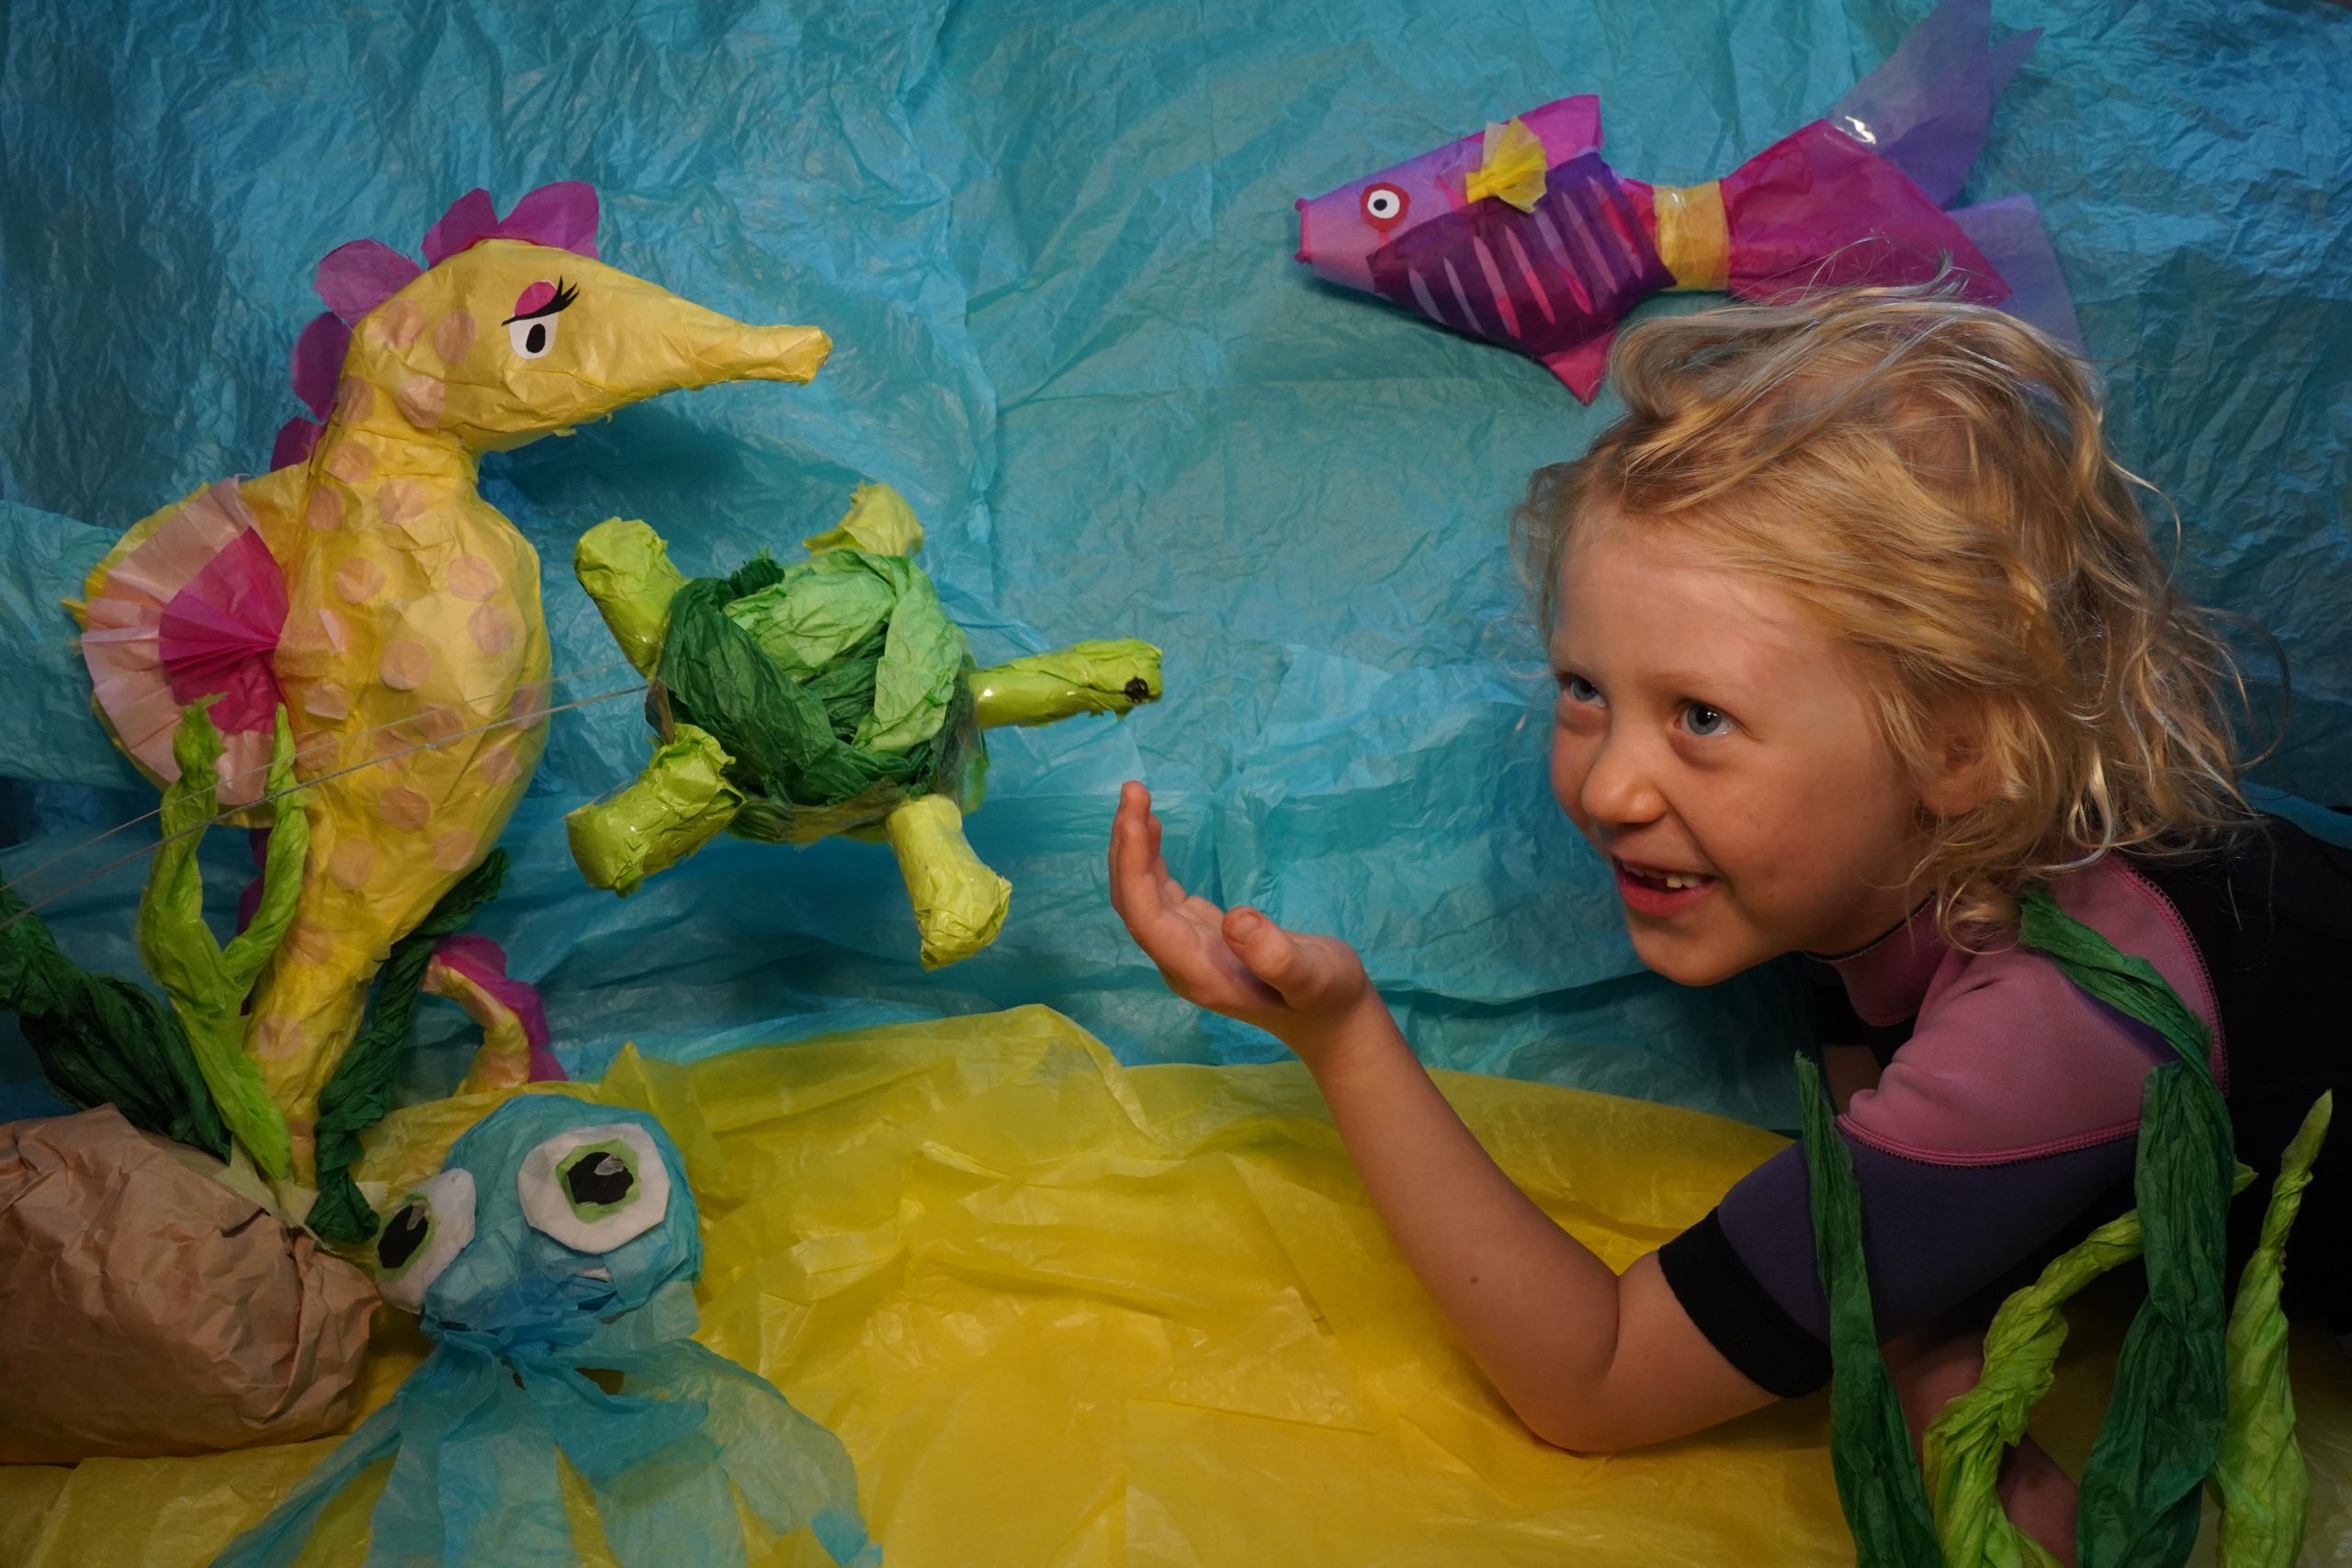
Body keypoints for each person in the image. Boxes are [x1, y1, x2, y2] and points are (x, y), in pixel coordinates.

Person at [1106, 283, 2349, 1563]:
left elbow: (1593, 1377)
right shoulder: (1882, 872)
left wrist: (1346, 1034)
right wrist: (1919, 1338)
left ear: (1958, 749)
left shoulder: (2058, 1022)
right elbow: (1878, 1134)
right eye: (1586, 690)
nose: (1607, 787)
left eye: (1701, 716)